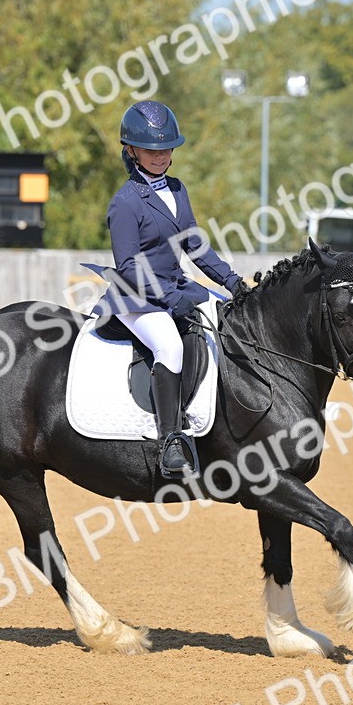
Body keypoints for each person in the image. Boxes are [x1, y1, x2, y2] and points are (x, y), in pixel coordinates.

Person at [93, 100, 245, 477]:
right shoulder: (125, 203)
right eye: (150, 150)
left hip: (174, 285)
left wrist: (231, 282)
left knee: (228, 314)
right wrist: (172, 300)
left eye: (165, 149)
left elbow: (194, 244)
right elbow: (128, 267)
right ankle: (170, 441)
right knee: (170, 345)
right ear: (131, 151)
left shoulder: (177, 189)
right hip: (136, 297)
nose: (160, 157)